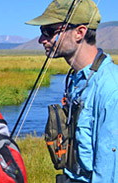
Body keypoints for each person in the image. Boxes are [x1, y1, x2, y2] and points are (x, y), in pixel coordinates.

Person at [26, 0, 118, 182]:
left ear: (79, 33)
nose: (41, 39)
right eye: (41, 32)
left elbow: (109, 173)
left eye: (49, 32)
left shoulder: (110, 88)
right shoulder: (76, 80)